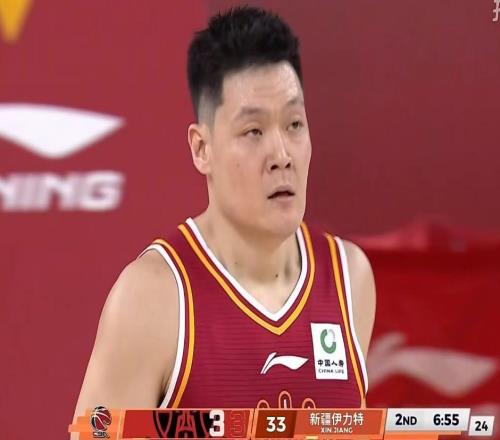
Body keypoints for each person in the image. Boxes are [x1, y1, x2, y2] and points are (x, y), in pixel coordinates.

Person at [71, 5, 376, 428]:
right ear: (202, 149)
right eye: (253, 131)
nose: (282, 155)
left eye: (294, 124)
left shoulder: (349, 280)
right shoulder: (154, 298)